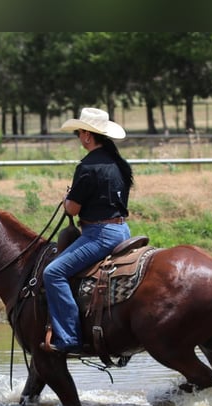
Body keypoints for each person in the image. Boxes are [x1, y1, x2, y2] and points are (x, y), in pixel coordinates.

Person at [41, 107, 134, 354]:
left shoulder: (88, 166)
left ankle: (69, 338)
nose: (79, 138)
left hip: (99, 234)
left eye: (79, 133)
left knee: (53, 272)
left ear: (87, 136)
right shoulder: (118, 163)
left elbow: (72, 209)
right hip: (123, 230)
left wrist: (66, 198)